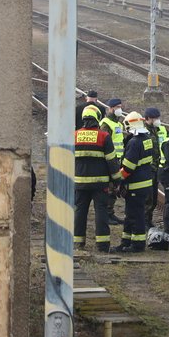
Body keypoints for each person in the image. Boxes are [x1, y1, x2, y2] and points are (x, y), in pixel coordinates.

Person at [73, 105, 121, 252]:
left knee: (80, 211)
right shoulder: (103, 137)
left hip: (80, 182)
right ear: (97, 118)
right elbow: (112, 161)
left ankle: (78, 243)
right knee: (101, 211)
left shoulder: (74, 135)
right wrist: (116, 180)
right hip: (100, 183)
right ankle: (102, 245)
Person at [114, 111, 155, 253]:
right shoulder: (146, 139)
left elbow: (128, 167)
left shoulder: (134, 142)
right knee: (131, 214)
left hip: (136, 185)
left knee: (135, 215)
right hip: (144, 183)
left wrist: (116, 179)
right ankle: (126, 242)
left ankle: (137, 245)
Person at [100, 98, 127, 224]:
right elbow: (105, 143)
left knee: (115, 188)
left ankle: (110, 213)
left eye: (120, 107)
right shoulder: (106, 123)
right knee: (110, 188)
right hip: (109, 161)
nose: (119, 109)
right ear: (110, 108)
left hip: (117, 160)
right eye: (117, 107)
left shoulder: (118, 124)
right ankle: (106, 214)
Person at [143, 107, 167, 227]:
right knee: (147, 198)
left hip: (157, 168)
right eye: (155, 118)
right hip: (147, 169)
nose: (157, 120)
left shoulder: (159, 130)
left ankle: (148, 220)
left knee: (153, 198)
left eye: (158, 118)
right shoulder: (143, 131)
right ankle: (144, 222)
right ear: (148, 119)